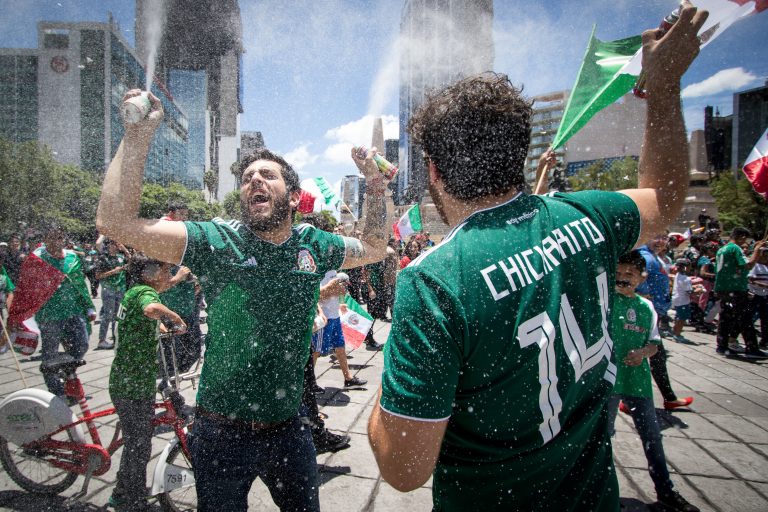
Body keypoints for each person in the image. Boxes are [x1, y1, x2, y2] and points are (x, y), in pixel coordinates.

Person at [367, 4, 707, 510]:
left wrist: (387, 393)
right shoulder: (586, 216)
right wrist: (664, 86)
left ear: (434, 171)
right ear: (519, 154)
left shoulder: (435, 281)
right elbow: (667, 195)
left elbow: (404, 469)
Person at [96, 91, 392, 511]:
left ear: (293, 198)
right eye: (249, 175)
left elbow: (376, 245)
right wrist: (138, 135)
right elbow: (115, 222)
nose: (254, 178)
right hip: (219, 436)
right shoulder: (216, 241)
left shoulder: (315, 245)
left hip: (289, 432)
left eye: (267, 175)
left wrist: (376, 185)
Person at [608, 250, 699, 512]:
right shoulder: (604, 301)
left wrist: (643, 353)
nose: (624, 278)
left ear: (641, 277)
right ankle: (605, 491)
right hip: (610, 381)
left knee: (652, 437)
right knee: (604, 439)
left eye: (630, 274)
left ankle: (666, 491)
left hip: (638, 382)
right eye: (619, 273)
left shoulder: (645, 307)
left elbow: (655, 344)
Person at [108, 253, 187, 511]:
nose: (167, 276)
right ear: (149, 273)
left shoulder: (133, 291)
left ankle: (122, 492)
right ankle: (132, 501)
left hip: (130, 380)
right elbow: (150, 310)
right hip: (131, 384)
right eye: (164, 270)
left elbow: (145, 320)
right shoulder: (145, 292)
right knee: (139, 446)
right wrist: (175, 318)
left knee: (136, 441)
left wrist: (163, 329)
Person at [7, 225, 96, 396]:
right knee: (49, 353)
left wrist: (89, 306)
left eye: (60, 237)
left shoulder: (72, 258)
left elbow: (80, 284)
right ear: (45, 240)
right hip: (50, 315)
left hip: (74, 311)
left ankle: (67, 371)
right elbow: (25, 288)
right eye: (53, 237)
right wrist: (20, 313)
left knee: (82, 345)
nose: (57, 241)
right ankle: (56, 390)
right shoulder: (36, 260)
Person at [714, 227, 766, 358]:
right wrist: (756, 251)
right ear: (741, 237)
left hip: (723, 287)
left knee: (725, 317)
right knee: (745, 318)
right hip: (735, 288)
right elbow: (748, 265)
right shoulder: (735, 248)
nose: (745, 242)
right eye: (744, 239)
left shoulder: (722, 249)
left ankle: (722, 346)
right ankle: (752, 348)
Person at [94, 239, 128, 349]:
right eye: (115, 244)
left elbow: (135, 261)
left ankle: (116, 338)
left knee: (117, 316)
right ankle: (101, 340)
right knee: (107, 315)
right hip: (108, 289)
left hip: (120, 289)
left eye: (118, 243)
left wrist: (125, 250)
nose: (117, 245)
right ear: (109, 245)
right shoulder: (103, 258)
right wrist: (114, 271)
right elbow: (98, 276)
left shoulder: (121, 256)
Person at [671, 258, 695, 343]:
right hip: (683, 301)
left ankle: (675, 332)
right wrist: (699, 290)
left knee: (678, 317)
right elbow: (690, 291)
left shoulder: (678, 275)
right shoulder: (686, 279)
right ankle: (677, 334)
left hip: (677, 299)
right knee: (682, 319)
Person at [748, 246, 768, 348]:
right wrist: (763, 285)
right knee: (749, 316)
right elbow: (750, 279)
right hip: (754, 294)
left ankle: (765, 340)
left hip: (765, 295)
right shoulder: (755, 266)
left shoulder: (766, 267)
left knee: (765, 318)